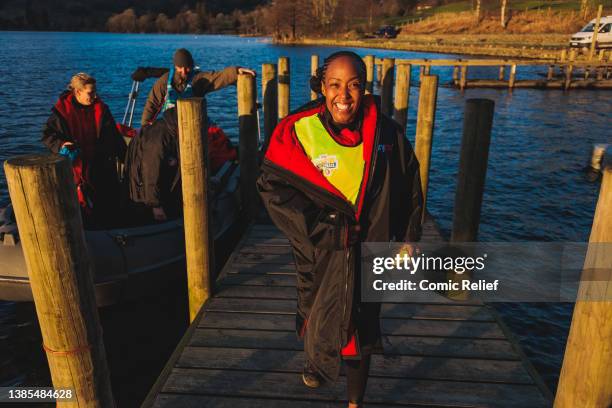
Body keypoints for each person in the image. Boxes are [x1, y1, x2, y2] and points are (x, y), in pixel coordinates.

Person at [257, 51, 423, 407]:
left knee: (359, 333)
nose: (343, 95)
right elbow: (272, 188)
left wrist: (409, 237)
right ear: (320, 86)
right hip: (317, 250)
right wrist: (324, 229)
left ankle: (354, 402)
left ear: (364, 89)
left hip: (368, 253)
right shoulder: (298, 131)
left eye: (353, 86)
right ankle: (316, 361)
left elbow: (410, 184)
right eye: (334, 85)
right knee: (315, 311)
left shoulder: (387, 135)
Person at [42, 73, 126, 228]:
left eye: (95, 92)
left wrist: (125, 157)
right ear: (78, 92)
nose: (94, 96)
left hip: (101, 165)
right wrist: (61, 144)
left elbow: (114, 136)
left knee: (107, 206)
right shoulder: (61, 112)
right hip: (77, 168)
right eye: (90, 93)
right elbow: (48, 135)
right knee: (80, 209)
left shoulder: (102, 109)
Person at [125, 107, 237, 223]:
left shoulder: (172, 132)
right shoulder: (159, 138)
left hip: (160, 189)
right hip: (145, 196)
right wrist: (156, 205)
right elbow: (150, 172)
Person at [140, 48, 255, 126]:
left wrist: (236, 71)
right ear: (175, 66)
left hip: (194, 128)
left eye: (187, 67)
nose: (184, 71)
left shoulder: (198, 80)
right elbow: (152, 104)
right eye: (180, 67)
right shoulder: (164, 81)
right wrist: (145, 128)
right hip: (170, 129)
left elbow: (217, 77)